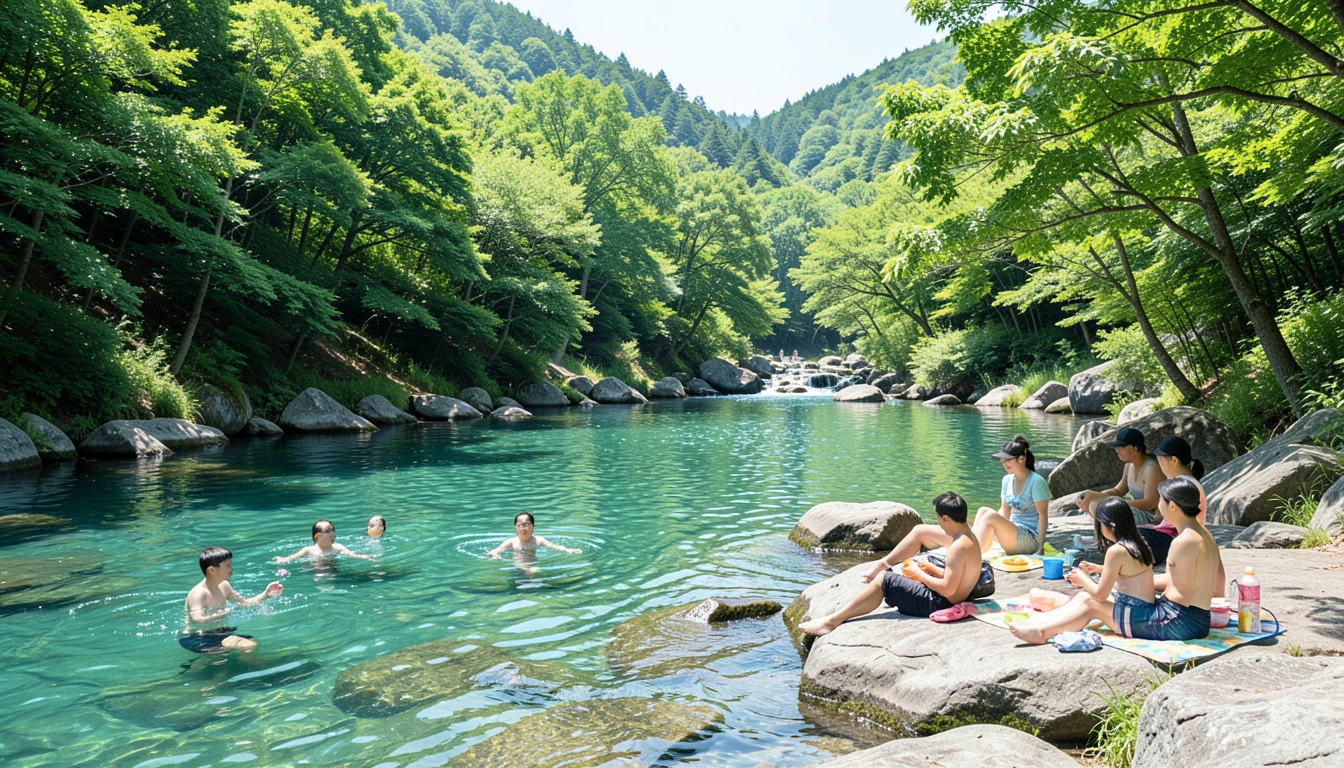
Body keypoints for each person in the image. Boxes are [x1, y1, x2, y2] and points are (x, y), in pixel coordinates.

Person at [1011, 477, 1220, 644]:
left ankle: (1042, 631)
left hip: (1178, 622)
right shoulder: (1205, 535)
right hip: (1198, 619)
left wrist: (1136, 592)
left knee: (1093, 603)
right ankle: (1043, 623)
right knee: (1099, 600)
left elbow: (1178, 594)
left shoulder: (1182, 542)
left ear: (1172, 506)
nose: (1158, 506)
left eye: (1160, 501)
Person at [799, 492, 985, 635]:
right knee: (894, 577)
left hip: (938, 603)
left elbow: (948, 590)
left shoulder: (958, 547)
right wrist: (932, 570)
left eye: (938, 518)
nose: (938, 524)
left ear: (946, 518)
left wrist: (919, 574)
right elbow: (957, 579)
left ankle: (831, 622)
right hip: (956, 598)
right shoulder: (970, 539)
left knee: (884, 580)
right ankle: (834, 619)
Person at [181, 546, 283, 653]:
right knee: (246, 647)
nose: (231, 569)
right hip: (197, 637)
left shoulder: (224, 586)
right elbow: (198, 619)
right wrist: (224, 614)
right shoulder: (199, 593)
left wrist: (266, 594)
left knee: (249, 645)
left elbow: (245, 603)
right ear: (211, 570)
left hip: (219, 633)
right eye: (227, 565)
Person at [973, 435, 1050, 556]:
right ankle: (970, 546)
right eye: (1003, 460)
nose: (1004, 463)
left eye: (1008, 459)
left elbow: (1043, 516)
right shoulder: (1006, 480)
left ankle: (970, 554)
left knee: (989, 516)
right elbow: (1005, 510)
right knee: (983, 511)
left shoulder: (1036, 481)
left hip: (1030, 538)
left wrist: (1040, 547)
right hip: (1013, 531)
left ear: (1021, 459)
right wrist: (993, 529)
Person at [1138, 437, 1206, 562]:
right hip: (1169, 537)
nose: (1158, 464)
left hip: (1173, 540)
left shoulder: (1185, 485)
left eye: (1159, 459)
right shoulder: (1179, 482)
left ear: (1174, 460)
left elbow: (1189, 523)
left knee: (1134, 537)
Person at [1076, 427, 1163, 524]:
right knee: (1093, 504)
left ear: (1136, 448)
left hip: (1151, 518)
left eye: (1122, 446)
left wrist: (1114, 503)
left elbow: (1150, 503)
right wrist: (1095, 495)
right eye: (1116, 446)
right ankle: (1104, 538)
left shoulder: (1151, 469)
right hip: (1136, 512)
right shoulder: (1129, 466)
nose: (1117, 450)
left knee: (1113, 510)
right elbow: (1117, 491)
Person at [276, 520, 376, 563]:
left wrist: (368, 557)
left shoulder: (338, 548)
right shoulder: (308, 551)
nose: (332, 533)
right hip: (316, 572)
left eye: (333, 530)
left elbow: (354, 555)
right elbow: (291, 558)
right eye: (328, 531)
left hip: (334, 572)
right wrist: (281, 560)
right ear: (317, 536)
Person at [489, 512, 582, 558]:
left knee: (534, 572)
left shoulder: (539, 540)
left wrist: (569, 550)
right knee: (534, 573)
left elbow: (554, 547)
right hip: (516, 566)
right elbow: (494, 551)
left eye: (526, 525)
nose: (523, 528)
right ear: (515, 527)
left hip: (532, 564)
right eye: (520, 525)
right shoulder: (511, 542)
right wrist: (495, 555)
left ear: (533, 526)